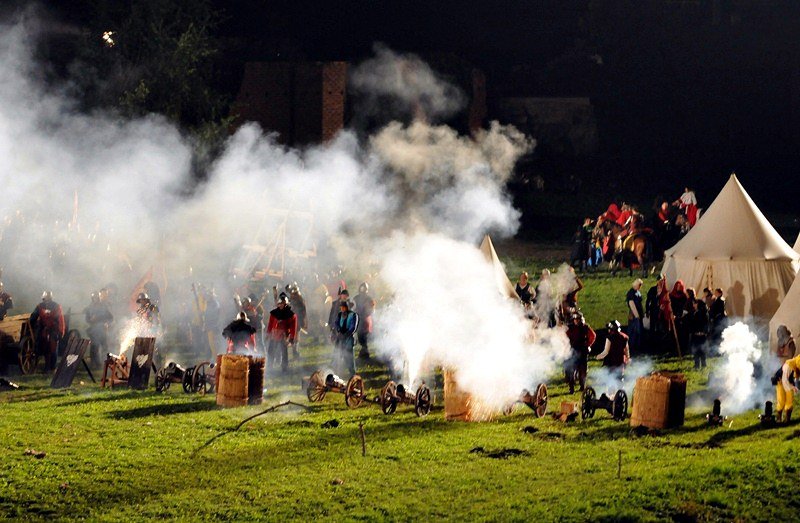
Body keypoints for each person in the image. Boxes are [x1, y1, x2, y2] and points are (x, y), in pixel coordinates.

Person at [30, 291, 66, 371]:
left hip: (54, 330)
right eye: (46, 297)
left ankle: (53, 367)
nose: (47, 299)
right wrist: (32, 324)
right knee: (45, 348)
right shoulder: (40, 306)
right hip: (44, 330)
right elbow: (33, 317)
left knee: (53, 348)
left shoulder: (56, 306)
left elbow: (61, 320)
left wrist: (61, 331)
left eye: (48, 297)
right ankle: (47, 367)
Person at [265, 293, 297, 372]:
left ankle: (284, 368)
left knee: (284, 352)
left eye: (283, 303)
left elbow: (293, 327)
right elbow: (270, 324)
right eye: (280, 303)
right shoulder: (274, 313)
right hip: (274, 334)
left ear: (286, 303)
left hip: (284, 335)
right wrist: (268, 334)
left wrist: (292, 338)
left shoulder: (291, 315)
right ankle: (269, 367)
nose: (281, 305)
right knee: (271, 351)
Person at [565, 312, 596, 394]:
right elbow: (565, 337)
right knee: (571, 370)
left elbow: (593, 336)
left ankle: (582, 386)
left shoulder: (585, 327)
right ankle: (571, 388)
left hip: (582, 350)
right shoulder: (570, 328)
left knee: (582, 370)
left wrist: (588, 345)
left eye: (578, 319)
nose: (577, 321)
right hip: (573, 351)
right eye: (576, 319)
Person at [84, 291, 113, 368]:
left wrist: (107, 323)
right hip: (94, 330)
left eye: (97, 297)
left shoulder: (104, 306)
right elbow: (87, 319)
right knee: (94, 346)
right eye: (94, 298)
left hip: (102, 329)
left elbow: (110, 318)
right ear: (92, 298)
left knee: (105, 347)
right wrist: (91, 319)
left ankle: (105, 363)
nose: (95, 299)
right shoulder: (89, 307)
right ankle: (95, 363)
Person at [333, 300, 359, 375]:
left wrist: (346, 334)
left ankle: (352, 374)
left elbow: (353, 327)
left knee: (349, 358)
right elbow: (337, 324)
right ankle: (336, 374)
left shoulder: (354, 315)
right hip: (340, 339)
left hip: (349, 339)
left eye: (344, 307)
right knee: (337, 356)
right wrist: (339, 331)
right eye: (341, 307)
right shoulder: (339, 315)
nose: (342, 309)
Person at [353, 282, 375, 359]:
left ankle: (365, 352)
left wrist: (366, 314)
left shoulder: (369, 299)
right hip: (359, 318)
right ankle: (364, 352)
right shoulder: (356, 298)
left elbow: (371, 310)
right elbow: (353, 307)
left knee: (363, 336)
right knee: (360, 336)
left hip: (365, 319)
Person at [775, 353, 800, 423]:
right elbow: (785, 380)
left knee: (789, 401)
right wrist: (793, 387)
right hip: (780, 382)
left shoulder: (796, 366)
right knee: (781, 400)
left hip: (789, 382)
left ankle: (787, 420)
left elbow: (794, 378)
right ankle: (779, 418)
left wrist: (793, 386)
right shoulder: (789, 365)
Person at [287, 283, 307, 359]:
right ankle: (295, 353)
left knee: (296, 338)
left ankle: (295, 353)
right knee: (293, 338)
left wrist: (302, 321)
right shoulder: (291, 300)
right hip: (292, 321)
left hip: (297, 321)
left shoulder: (299, 300)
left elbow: (303, 312)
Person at [688, 298, 709, 369]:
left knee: (702, 350)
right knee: (696, 350)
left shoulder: (702, 313)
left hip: (700, 335)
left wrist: (704, 332)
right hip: (696, 335)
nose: (693, 305)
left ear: (698, 304)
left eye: (695, 303)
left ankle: (703, 364)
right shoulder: (695, 312)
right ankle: (697, 364)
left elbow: (704, 324)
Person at [626, 279, 644, 353]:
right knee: (633, 331)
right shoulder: (631, 293)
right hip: (634, 315)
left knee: (638, 331)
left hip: (638, 315)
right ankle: (632, 347)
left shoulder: (637, 292)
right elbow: (632, 305)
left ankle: (637, 346)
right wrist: (636, 315)